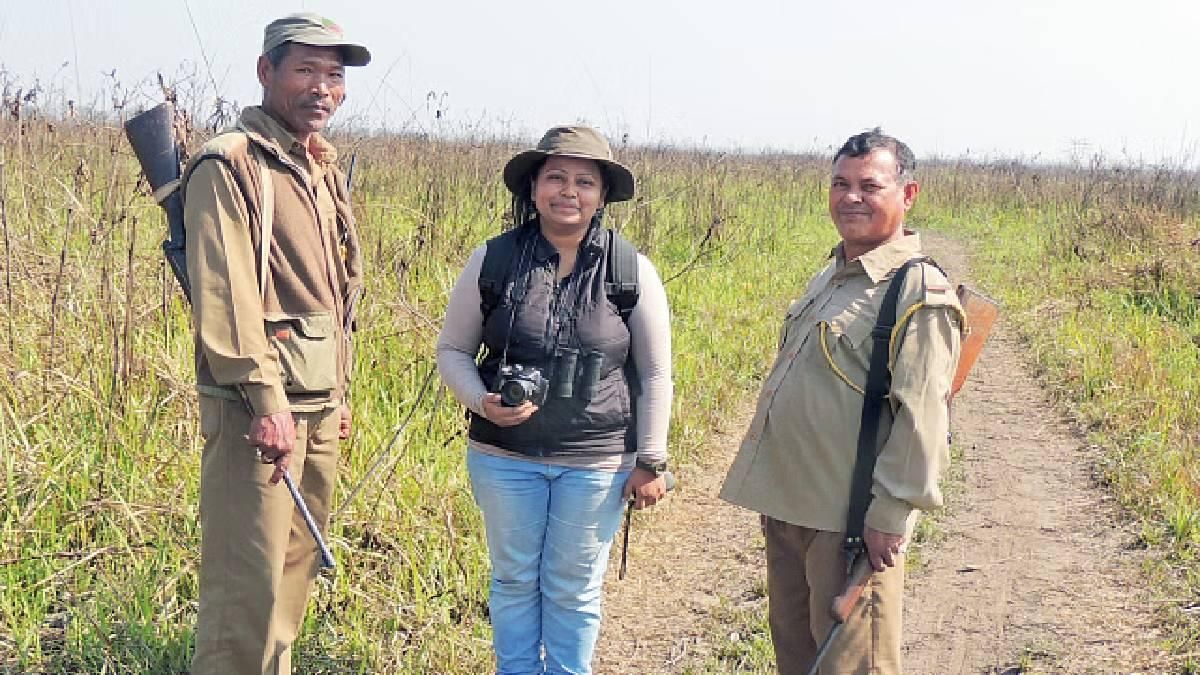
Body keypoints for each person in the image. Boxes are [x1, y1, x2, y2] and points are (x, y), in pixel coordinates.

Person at [720, 128, 965, 674]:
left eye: (869, 185)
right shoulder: (833, 274)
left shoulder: (916, 293)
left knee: (852, 666)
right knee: (799, 658)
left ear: (908, 195)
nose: (851, 197)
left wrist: (889, 514)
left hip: (848, 525)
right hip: (789, 509)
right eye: (840, 183)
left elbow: (922, 417)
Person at [436, 126, 673, 675]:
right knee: (514, 578)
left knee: (573, 586)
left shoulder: (629, 268)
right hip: (503, 458)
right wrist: (480, 400)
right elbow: (452, 349)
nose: (569, 191)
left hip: (596, 462)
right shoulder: (493, 259)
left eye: (585, 182)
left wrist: (651, 460)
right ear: (535, 187)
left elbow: (656, 372)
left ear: (602, 195)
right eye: (557, 178)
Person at [181, 13, 369, 674]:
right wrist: (265, 399)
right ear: (267, 73)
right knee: (246, 593)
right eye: (306, 71)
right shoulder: (230, 162)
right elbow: (227, 291)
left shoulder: (316, 164)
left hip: (316, 406)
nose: (323, 88)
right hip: (257, 412)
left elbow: (336, 294)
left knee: (292, 580)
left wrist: (336, 393)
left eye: (335, 75)